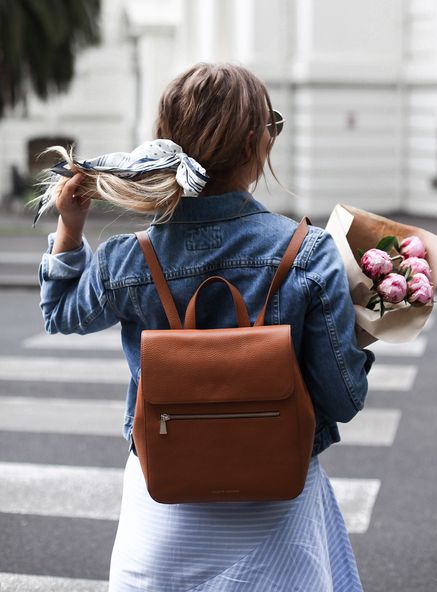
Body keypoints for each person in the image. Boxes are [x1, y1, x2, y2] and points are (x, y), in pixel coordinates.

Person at [38, 62, 375, 592]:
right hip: (277, 510)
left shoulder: (130, 259)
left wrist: (70, 226)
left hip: (163, 511)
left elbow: (58, 311)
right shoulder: (308, 255)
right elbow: (342, 399)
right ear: (254, 144)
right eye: (272, 126)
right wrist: (362, 333)